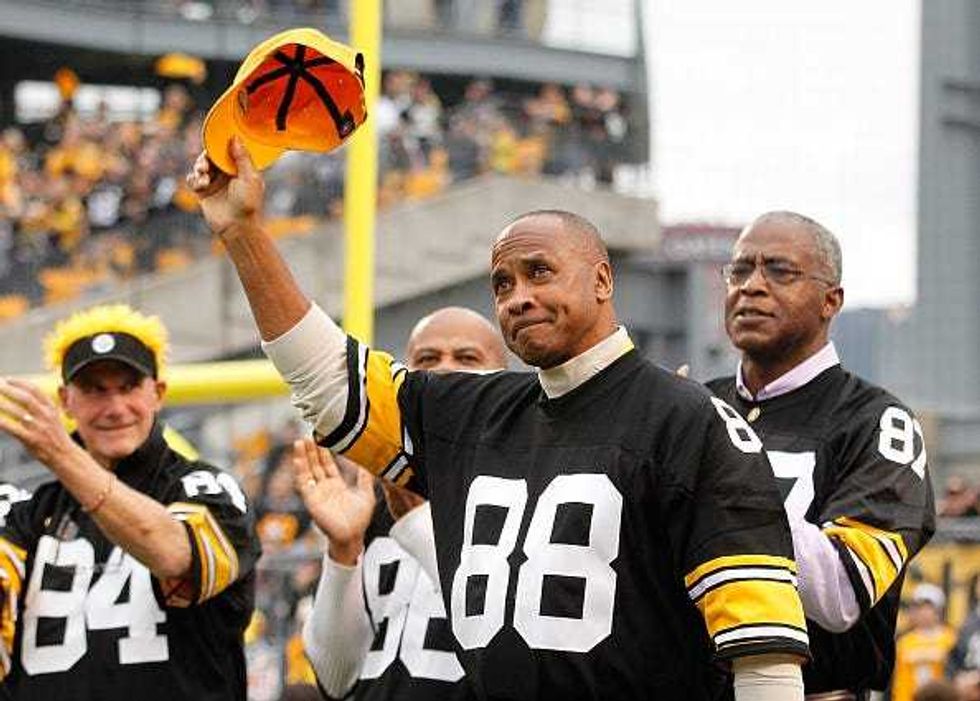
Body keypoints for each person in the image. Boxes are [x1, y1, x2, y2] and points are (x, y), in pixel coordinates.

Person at [189, 138, 811, 700]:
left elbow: (765, 660)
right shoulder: (475, 413)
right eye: (503, 283)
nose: (518, 296)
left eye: (539, 272)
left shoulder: (688, 421)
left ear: (601, 280)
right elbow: (328, 383)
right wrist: (243, 232)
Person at [706, 211, 936, 698]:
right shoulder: (699, 406)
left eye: (780, 271)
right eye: (740, 270)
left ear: (831, 300)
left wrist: (714, 474)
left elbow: (842, 592)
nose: (752, 286)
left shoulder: (878, 422)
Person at [0, 303, 260, 700]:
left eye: (128, 386)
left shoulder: (205, 489)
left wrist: (61, 456)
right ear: (65, 400)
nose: (115, 408)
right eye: (94, 390)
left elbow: (176, 555)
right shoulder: (27, 516)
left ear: (157, 393)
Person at [298, 306, 507, 701]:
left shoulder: (522, 489)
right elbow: (336, 677)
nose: (444, 370)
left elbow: (515, 645)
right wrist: (342, 552)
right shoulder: (375, 500)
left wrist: (418, 526)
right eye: (427, 359)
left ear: (504, 382)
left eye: (467, 357)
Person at [891, 584, 956, 701]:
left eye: (927, 608)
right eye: (918, 608)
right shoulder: (904, 642)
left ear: (938, 611)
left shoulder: (950, 639)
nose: (922, 613)